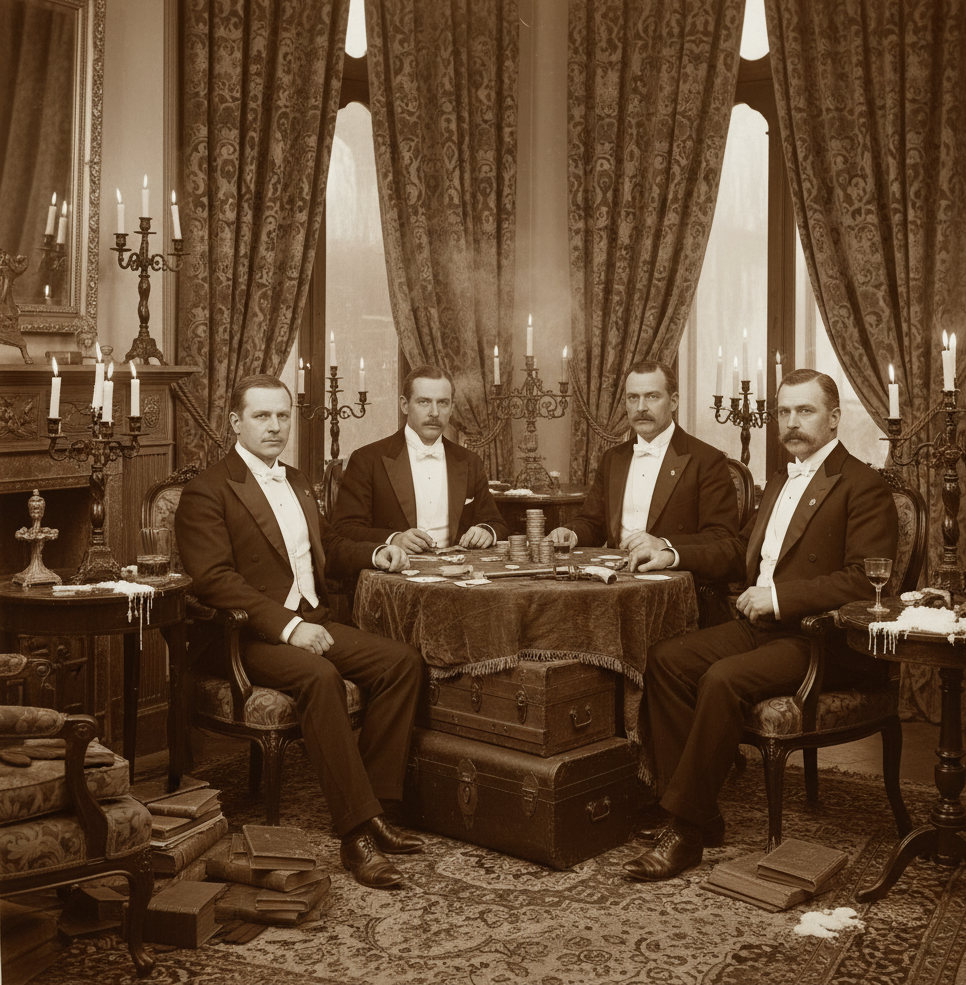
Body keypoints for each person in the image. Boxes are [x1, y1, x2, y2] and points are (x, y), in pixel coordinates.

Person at [623, 369, 897, 882]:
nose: (792, 423)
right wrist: (672, 551)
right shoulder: (779, 479)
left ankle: (683, 831)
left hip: (820, 639)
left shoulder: (864, 486)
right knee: (667, 660)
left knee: (723, 679)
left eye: (806, 411)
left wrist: (777, 597)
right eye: (785, 412)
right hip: (762, 629)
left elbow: (867, 582)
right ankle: (701, 811)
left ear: (835, 418)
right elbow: (735, 550)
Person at [175, 374, 426, 890]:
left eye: (282, 416)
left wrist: (378, 553)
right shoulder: (207, 491)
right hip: (243, 638)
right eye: (262, 416)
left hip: (311, 618)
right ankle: (355, 835)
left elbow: (328, 545)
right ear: (235, 422)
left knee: (402, 663)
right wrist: (288, 627)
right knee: (318, 676)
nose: (274, 426)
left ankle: (375, 806)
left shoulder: (296, 479)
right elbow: (213, 580)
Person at [547, 360, 738, 560]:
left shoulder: (707, 460)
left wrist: (665, 544)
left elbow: (723, 538)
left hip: (673, 579)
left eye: (652, 397)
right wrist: (572, 533)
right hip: (615, 578)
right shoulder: (613, 458)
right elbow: (593, 523)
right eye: (633, 398)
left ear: (673, 402)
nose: (641, 407)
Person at [332, 364, 509, 552]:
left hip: (456, 574)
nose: (434, 413)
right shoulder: (367, 459)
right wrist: (393, 539)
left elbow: (496, 523)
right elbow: (343, 529)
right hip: (395, 574)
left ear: (452, 407)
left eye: (443, 402)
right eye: (424, 402)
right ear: (404, 405)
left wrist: (486, 530)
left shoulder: (469, 461)